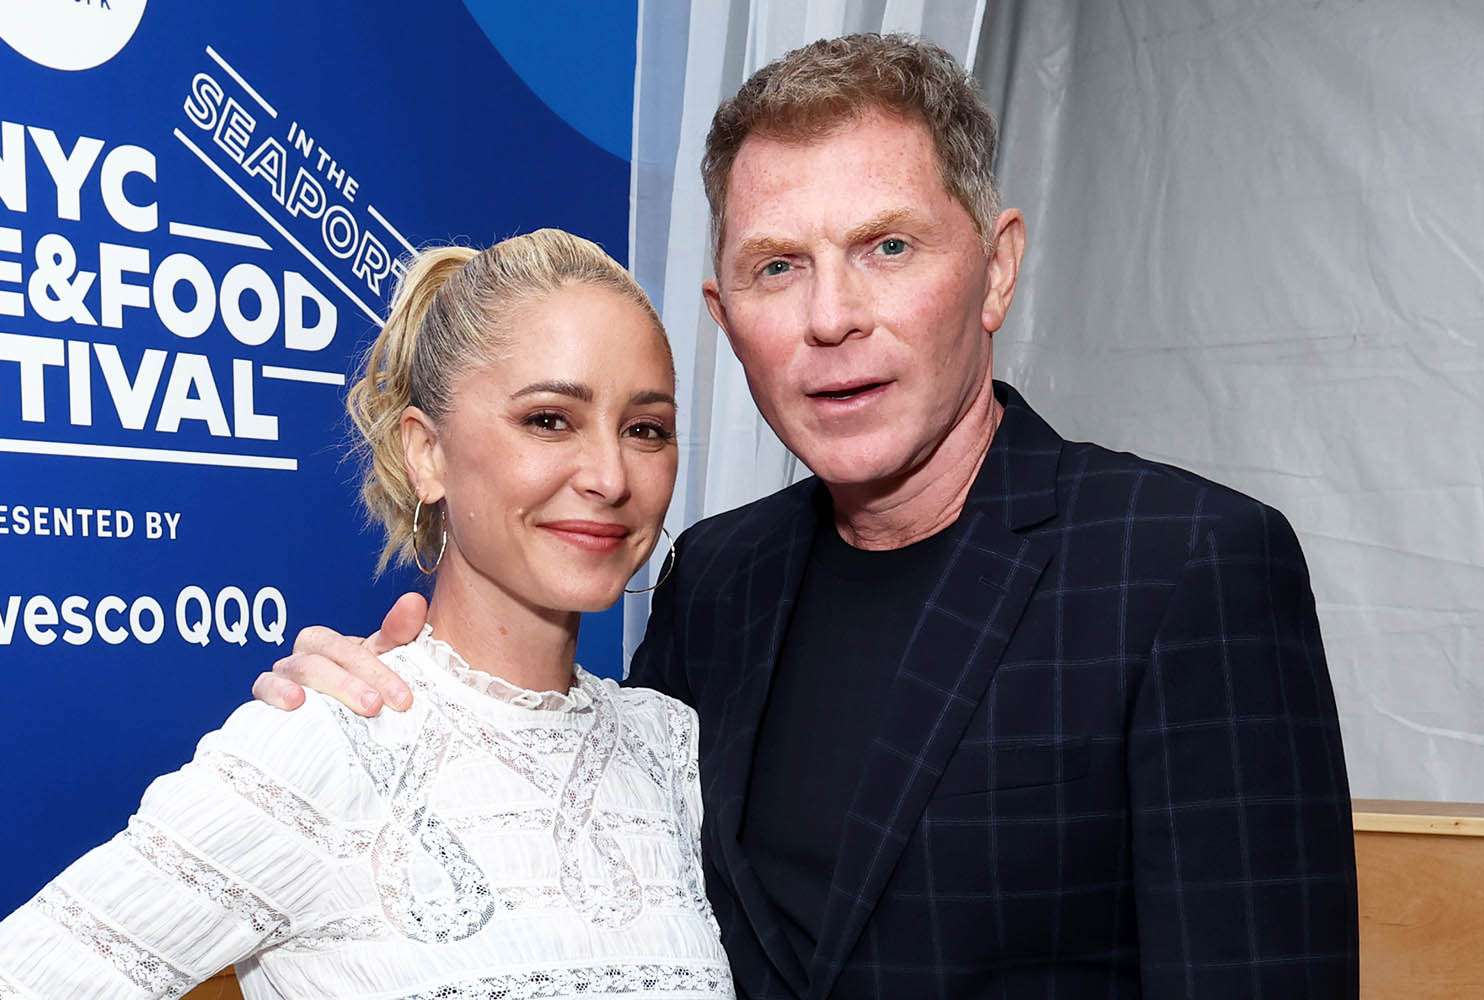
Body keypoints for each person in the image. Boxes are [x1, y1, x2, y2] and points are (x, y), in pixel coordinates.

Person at [257, 35, 1360, 999]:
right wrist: (394, 706)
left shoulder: (1186, 568)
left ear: (996, 270)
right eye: (778, 266)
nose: (831, 317)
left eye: (888, 247)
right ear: (724, 316)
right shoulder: (717, 578)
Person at [0, 231, 734, 999]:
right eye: (549, 419)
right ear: (427, 454)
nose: (611, 476)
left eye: (646, 430)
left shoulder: (669, 746)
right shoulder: (322, 744)